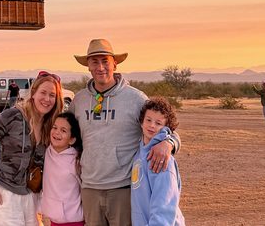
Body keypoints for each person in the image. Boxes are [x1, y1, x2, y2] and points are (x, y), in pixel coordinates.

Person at [69, 39, 181, 226]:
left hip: (123, 188)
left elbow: (168, 128)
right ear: (88, 66)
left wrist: (168, 143)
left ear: (115, 63)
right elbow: (66, 135)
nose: (101, 67)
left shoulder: (135, 99)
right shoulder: (79, 100)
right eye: (95, 62)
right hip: (89, 188)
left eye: (105, 61)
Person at [0, 72, 64, 226]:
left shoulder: (50, 126)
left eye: (52, 95)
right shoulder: (13, 116)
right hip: (5, 195)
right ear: (34, 92)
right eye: (43, 93)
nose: (47, 99)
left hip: (31, 196)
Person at [131, 97, 185, 226]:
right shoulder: (140, 152)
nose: (151, 125)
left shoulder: (161, 159)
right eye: (148, 120)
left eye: (158, 123)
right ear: (141, 122)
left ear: (166, 127)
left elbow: (164, 205)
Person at [41, 112, 84, 226]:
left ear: (72, 139)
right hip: (53, 219)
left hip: (73, 220)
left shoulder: (76, 160)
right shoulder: (47, 152)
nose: (56, 132)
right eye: (54, 127)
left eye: (63, 130)